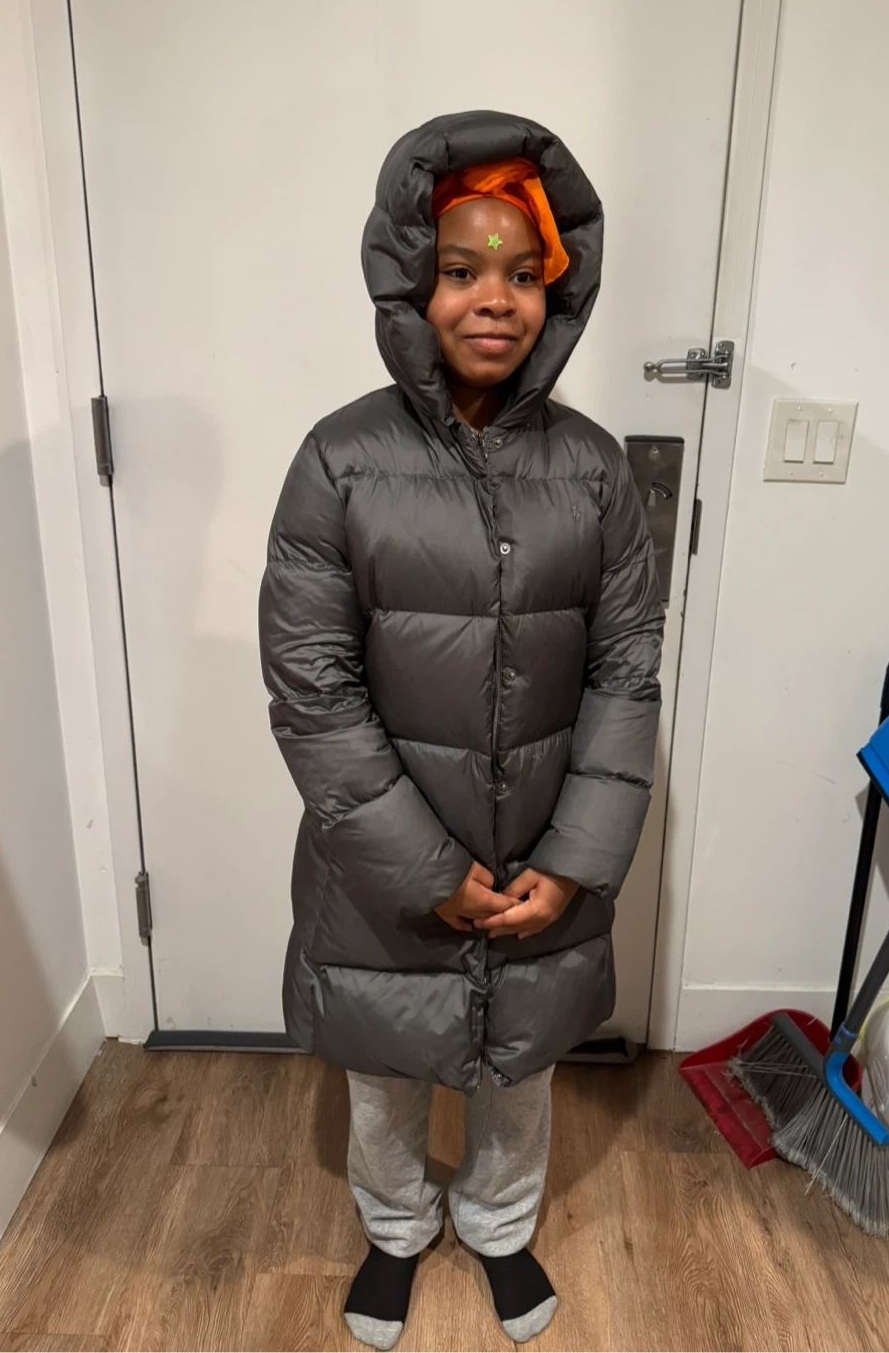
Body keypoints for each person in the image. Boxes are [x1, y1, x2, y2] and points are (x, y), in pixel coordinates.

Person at [258, 110, 664, 1349]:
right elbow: (312, 684)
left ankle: (498, 1223)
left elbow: (627, 671)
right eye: (460, 269)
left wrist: (576, 859)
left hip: (543, 848)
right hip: (386, 860)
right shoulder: (339, 461)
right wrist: (422, 869)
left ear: (558, 291)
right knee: (385, 1060)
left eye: (524, 273)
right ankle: (394, 1229)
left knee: (522, 1059)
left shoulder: (595, 471)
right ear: (410, 284)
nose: (495, 298)